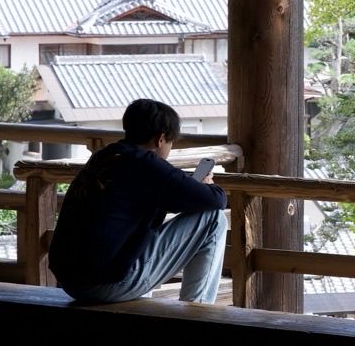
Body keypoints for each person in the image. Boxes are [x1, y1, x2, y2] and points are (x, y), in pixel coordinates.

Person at [49, 98, 229, 305]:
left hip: (69, 282)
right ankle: (197, 311)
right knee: (214, 218)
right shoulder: (146, 164)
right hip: (104, 285)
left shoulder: (105, 156)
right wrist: (207, 186)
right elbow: (216, 199)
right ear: (160, 139)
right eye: (170, 142)